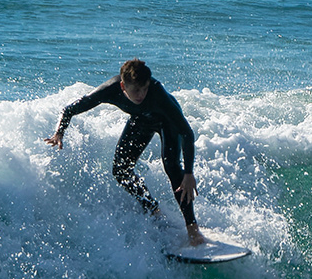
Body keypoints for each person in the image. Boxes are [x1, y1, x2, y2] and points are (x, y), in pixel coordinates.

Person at [45, 59, 205, 245]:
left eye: (144, 89)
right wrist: (59, 133)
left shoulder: (158, 95)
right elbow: (70, 109)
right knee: (120, 171)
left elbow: (187, 133)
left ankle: (192, 228)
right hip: (141, 120)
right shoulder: (110, 90)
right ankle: (153, 209)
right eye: (136, 90)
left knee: (172, 166)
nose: (141, 95)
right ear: (123, 86)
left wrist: (189, 173)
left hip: (167, 122)